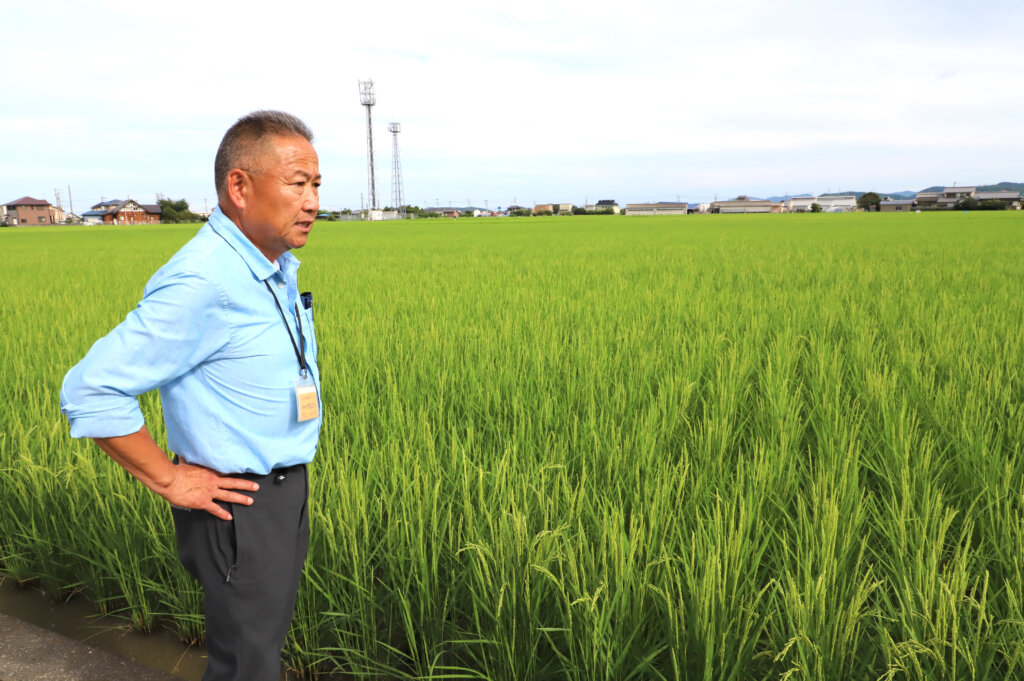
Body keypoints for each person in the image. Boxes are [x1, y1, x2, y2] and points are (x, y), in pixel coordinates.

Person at [60, 110, 323, 681]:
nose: (311, 201)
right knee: (246, 667)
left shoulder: (267, 265)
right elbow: (91, 388)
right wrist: (168, 478)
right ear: (240, 186)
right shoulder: (206, 280)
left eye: (316, 185)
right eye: (297, 184)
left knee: (255, 655)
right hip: (241, 506)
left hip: (278, 498)